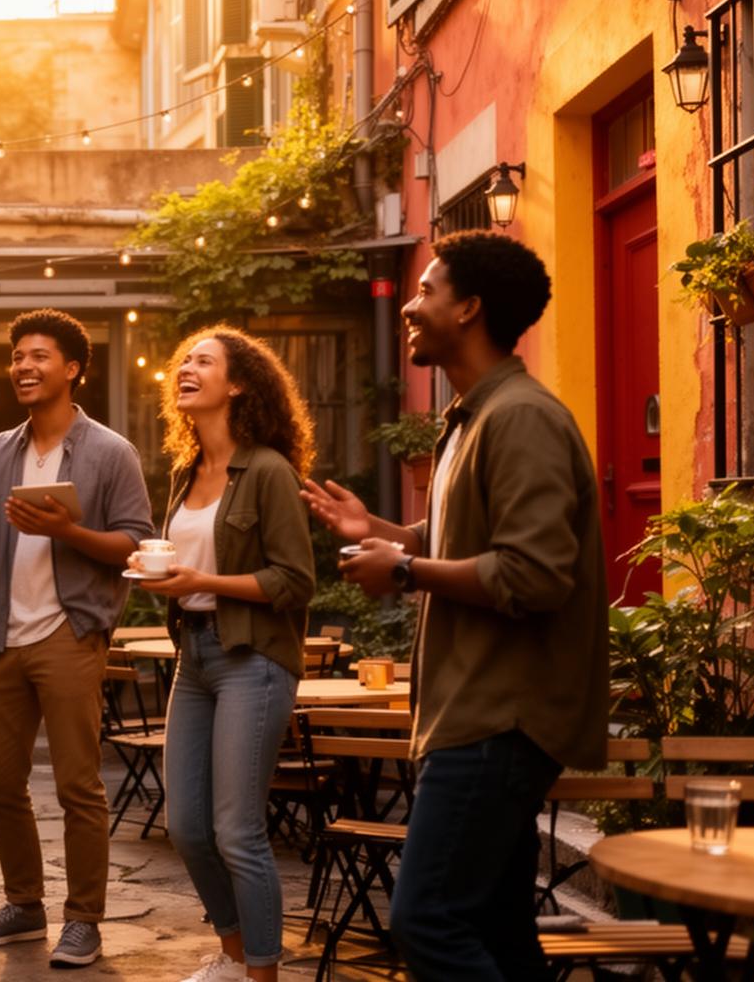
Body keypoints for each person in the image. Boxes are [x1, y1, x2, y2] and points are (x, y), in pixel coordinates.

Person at [302, 231, 608, 981]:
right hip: (477, 713)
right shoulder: (473, 416)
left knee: (428, 919)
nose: (410, 303)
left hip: (501, 717)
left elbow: (534, 574)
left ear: (469, 308)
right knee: (497, 925)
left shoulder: (520, 418)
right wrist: (376, 532)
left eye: (427, 290)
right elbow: (455, 541)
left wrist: (404, 569)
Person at [0, 308, 153, 970]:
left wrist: (67, 533)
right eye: (17, 357)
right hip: (1, 635)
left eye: (38, 356)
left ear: (72, 368)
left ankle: (83, 917)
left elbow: (137, 545)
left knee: (77, 786)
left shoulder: (111, 451)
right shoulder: (2, 449)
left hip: (70, 632)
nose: (23, 367)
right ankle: (24, 904)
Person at [132, 328, 315, 982]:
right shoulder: (186, 474)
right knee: (186, 825)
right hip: (196, 658)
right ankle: (233, 956)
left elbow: (295, 581)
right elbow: (188, 563)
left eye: (202, 361)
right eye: (183, 359)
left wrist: (202, 582)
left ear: (237, 385)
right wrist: (163, 574)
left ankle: (261, 973)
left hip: (254, 659)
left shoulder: (267, 469)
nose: (186, 367)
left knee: (238, 831)